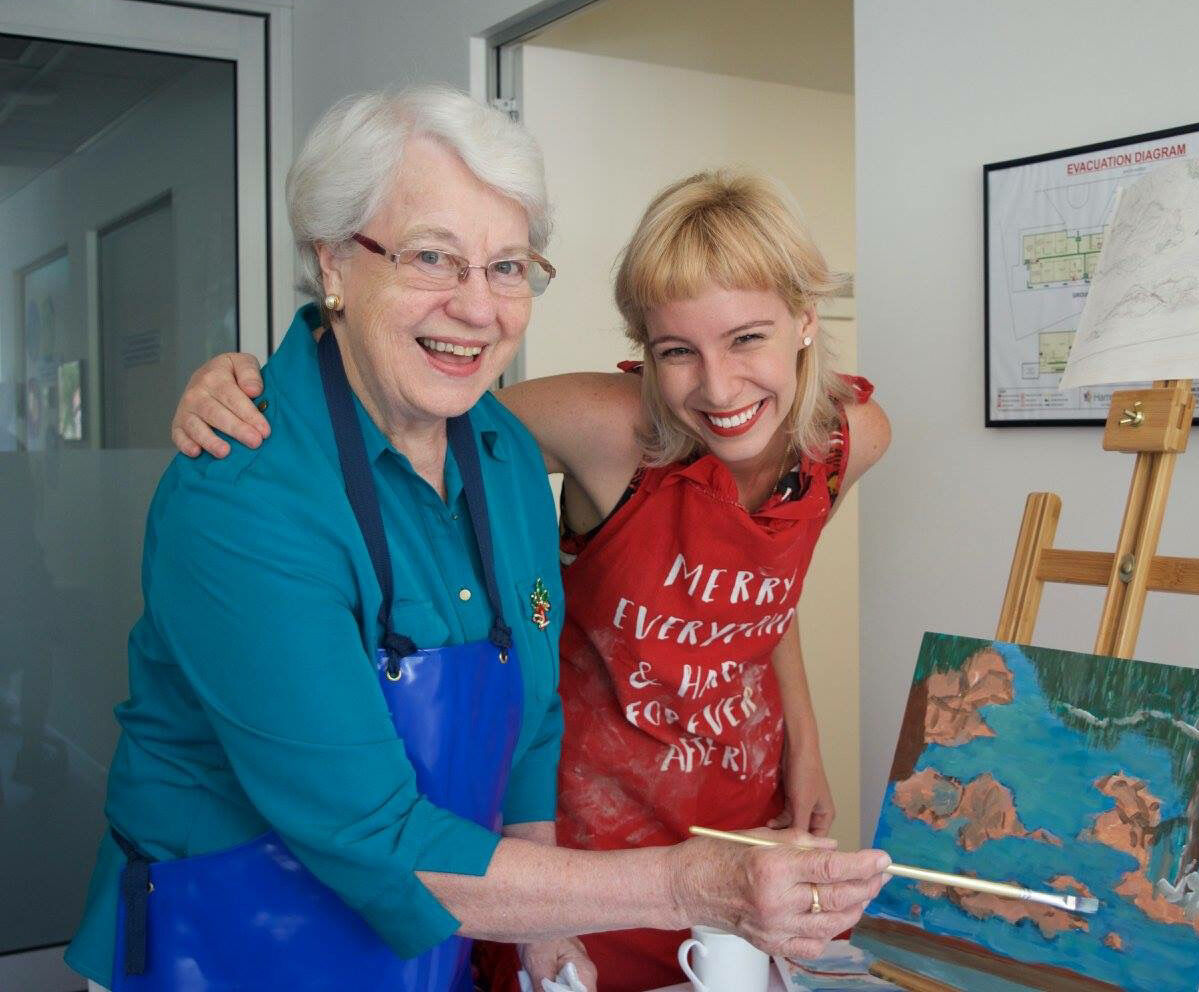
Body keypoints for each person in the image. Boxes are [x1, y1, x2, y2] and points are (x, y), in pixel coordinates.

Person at [68, 86, 889, 992]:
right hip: (230, 949)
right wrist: (693, 884)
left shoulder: (497, 454)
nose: (477, 307)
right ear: (332, 262)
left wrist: (541, 927)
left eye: (507, 267)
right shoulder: (245, 490)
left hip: (431, 943)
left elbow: (534, 720)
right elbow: (373, 838)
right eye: (433, 258)